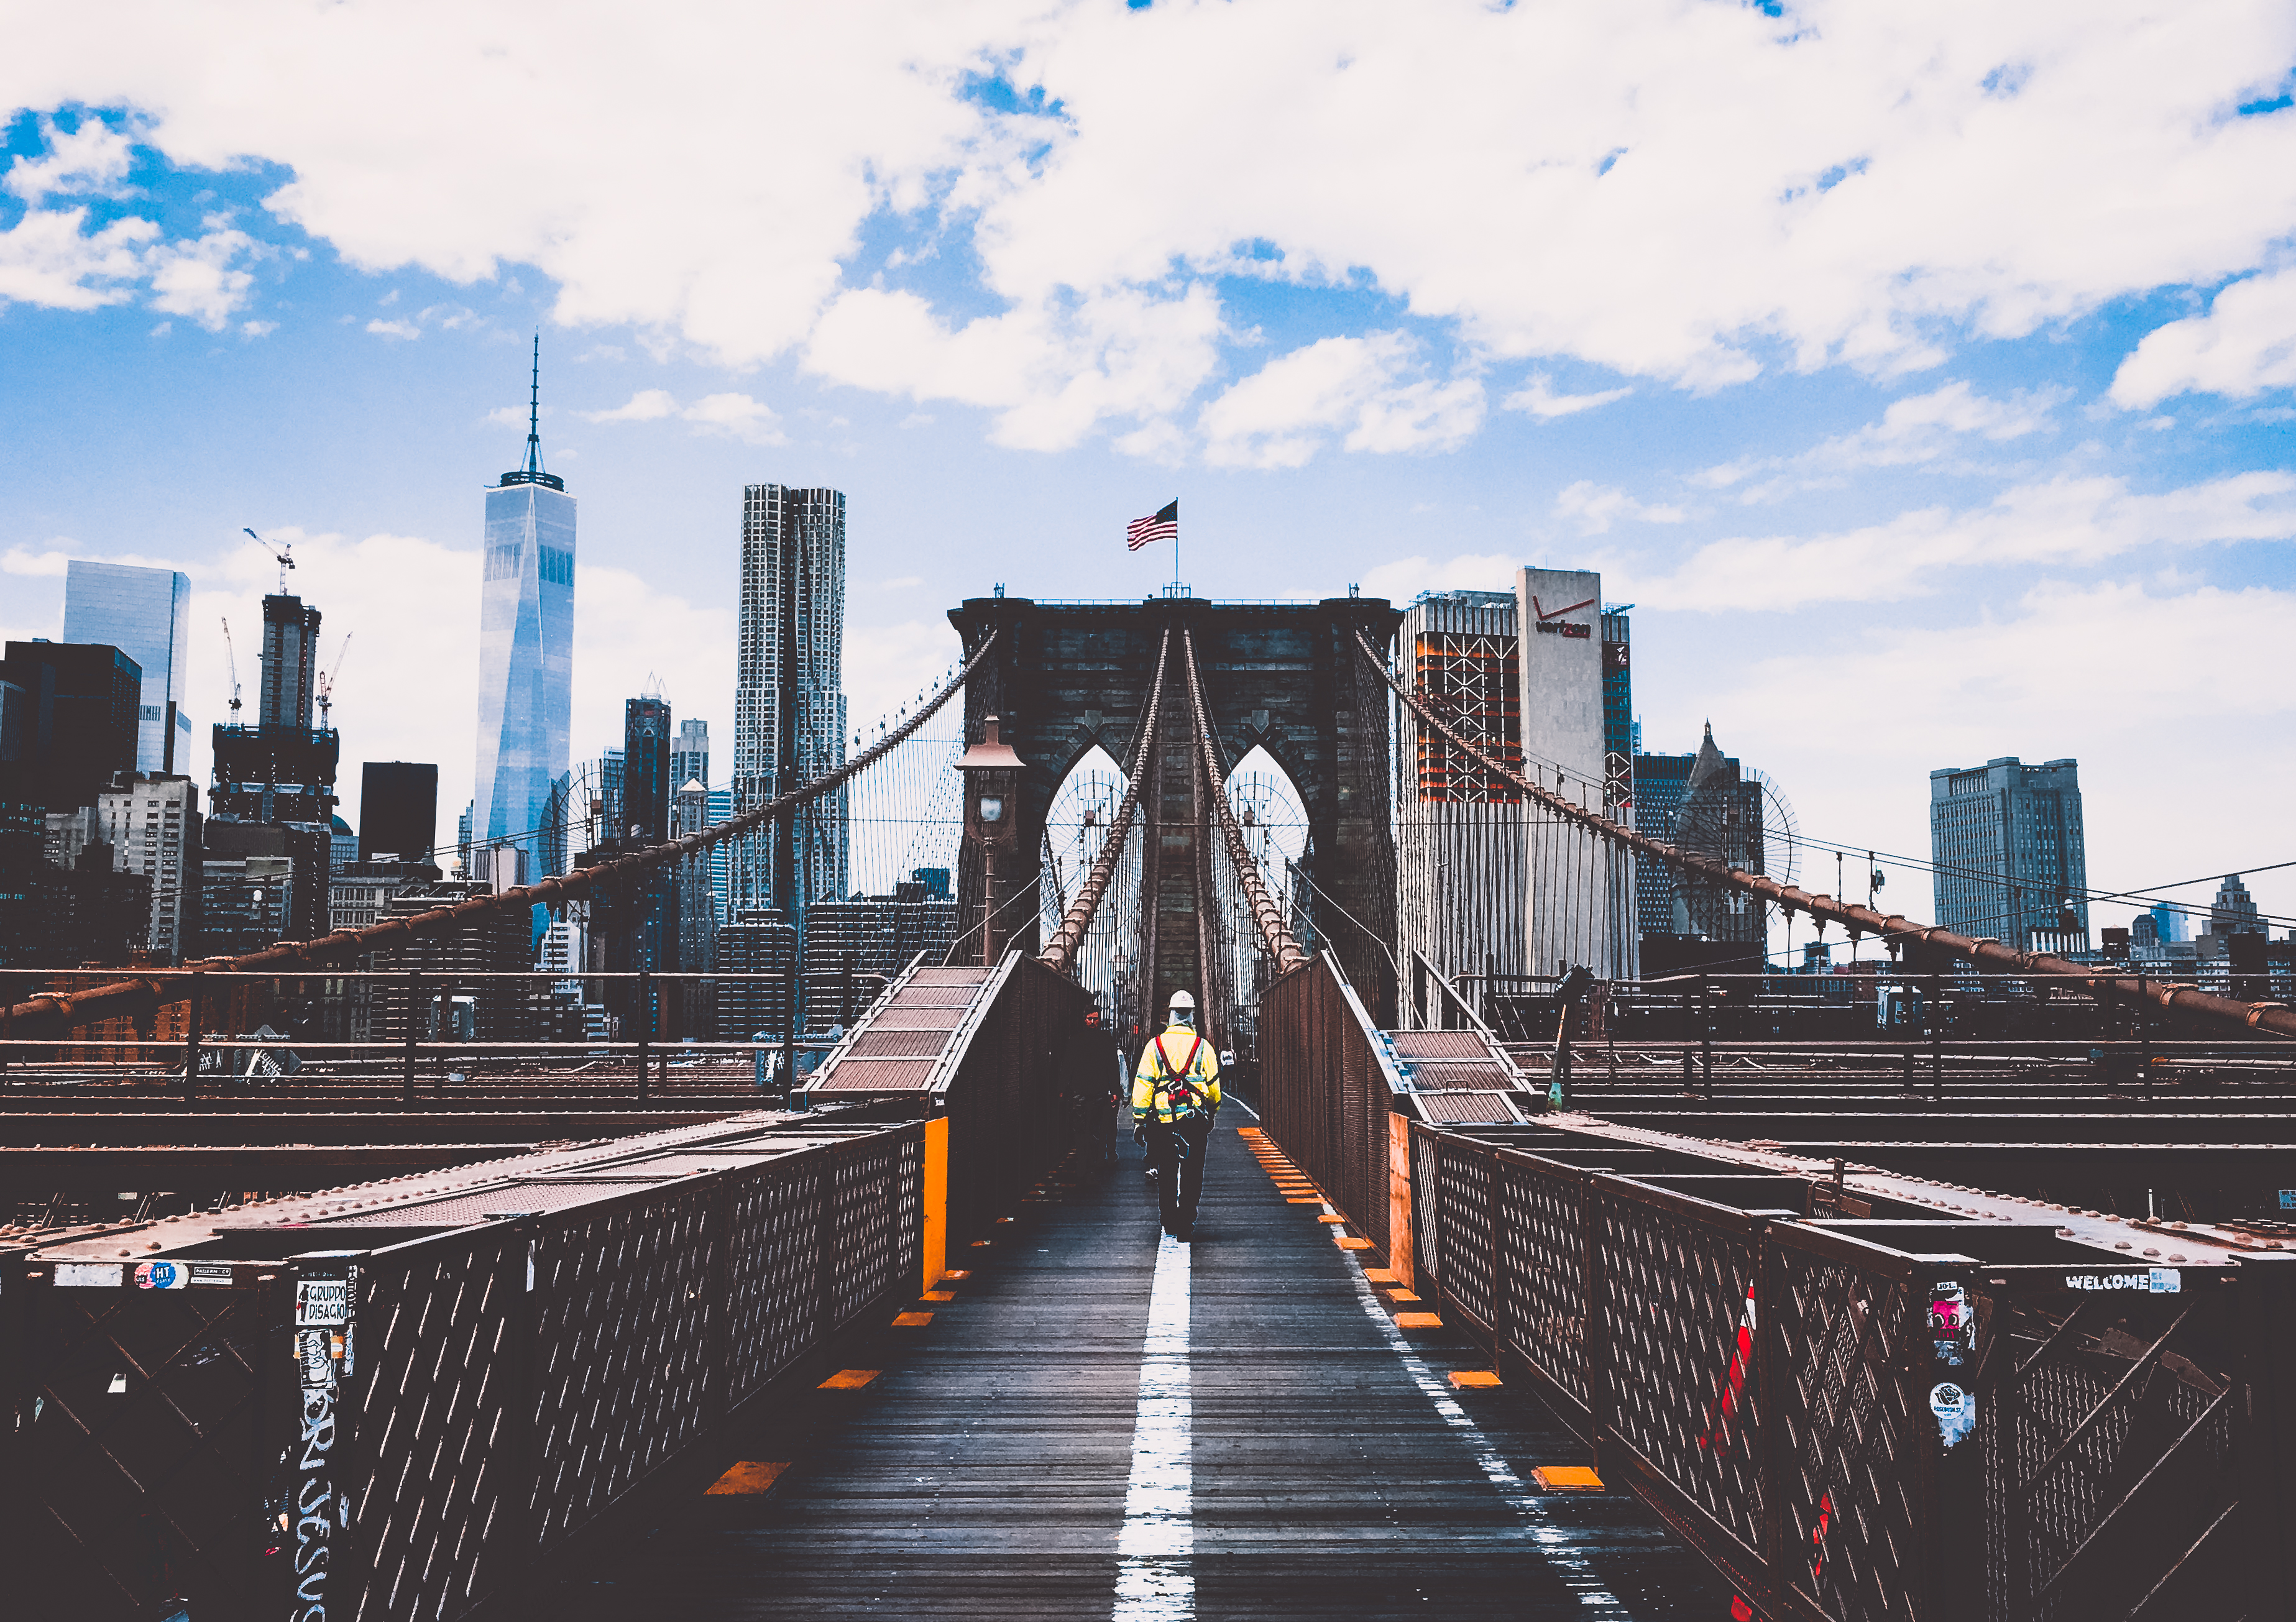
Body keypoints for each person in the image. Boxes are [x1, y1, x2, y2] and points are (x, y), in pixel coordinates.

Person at [1132, 989, 1222, 1239]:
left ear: (1170, 1015)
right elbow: (1214, 1086)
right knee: (1193, 1171)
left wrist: (1140, 1120)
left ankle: (1169, 1218)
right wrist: (1212, 1111)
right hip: (1194, 1121)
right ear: (1192, 1016)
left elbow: (1143, 1083)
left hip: (1162, 1121)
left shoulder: (1155, 1046)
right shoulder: (1203, 1047)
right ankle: (1186, 1220)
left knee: (1167, 1171)